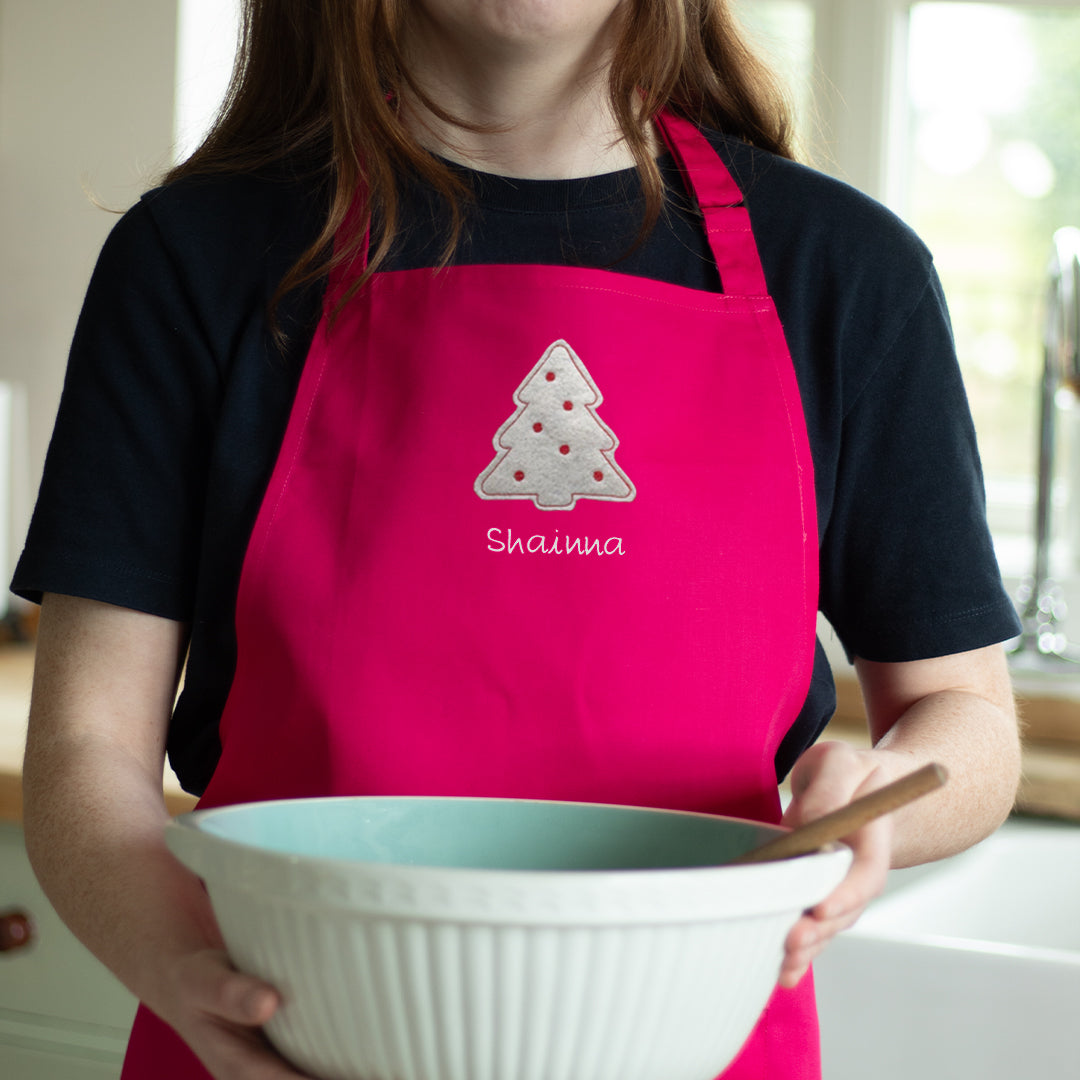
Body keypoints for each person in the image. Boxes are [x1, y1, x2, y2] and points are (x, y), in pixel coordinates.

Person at [16, 1, 1022, 1078]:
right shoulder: (193, 258)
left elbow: (966, 721)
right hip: (275, 1030)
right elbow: (87, 748)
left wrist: (883, 795)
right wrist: (181, 971)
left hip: (696, 1037)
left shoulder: (846, 271)